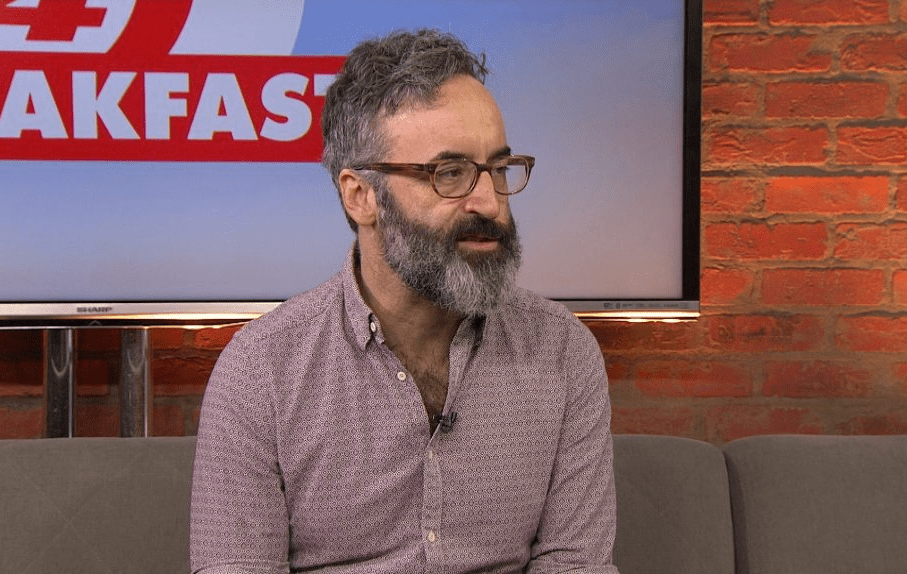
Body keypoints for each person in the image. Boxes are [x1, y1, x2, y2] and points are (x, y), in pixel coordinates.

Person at [190, 28, 618, 574]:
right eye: (450, 174)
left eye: (498, 169)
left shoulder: (562, 352)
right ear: (360, 196)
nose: (489, 202)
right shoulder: (261, 372)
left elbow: (575, 563)